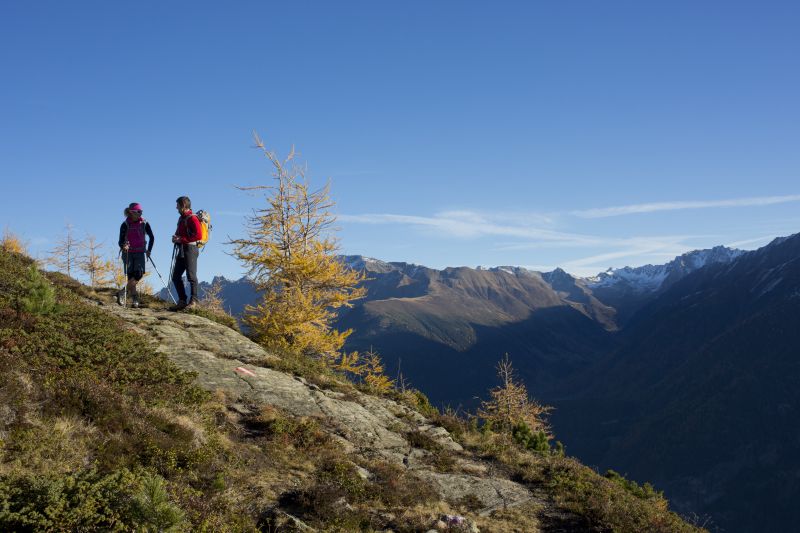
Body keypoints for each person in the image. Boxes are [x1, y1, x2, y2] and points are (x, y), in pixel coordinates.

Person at [117, 202, 154, 308]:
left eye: (141, 212)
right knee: (131, 276)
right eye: (138, 212)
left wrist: (149, 250)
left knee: (139, 274)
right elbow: (120, 241)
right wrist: (123, 246)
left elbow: (152, 237)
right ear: (131, 212)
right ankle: (135, 300)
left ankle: (122, 292)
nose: (140, 214)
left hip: (140, 252)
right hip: (128, 253)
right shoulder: (125, 224)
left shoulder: (144, 223)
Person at [171, 196, 202, 310]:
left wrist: (181, 240)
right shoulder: (181, 218)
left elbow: (199, 236)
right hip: (183, 249)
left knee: (191, 275)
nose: (176, 208)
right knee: (175, 276)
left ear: (183, 206)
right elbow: (179, 233)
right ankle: (183, 300)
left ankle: (194, 301)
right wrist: (176, 238)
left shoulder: (192, 218)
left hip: (191, 249)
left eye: (178, 205)